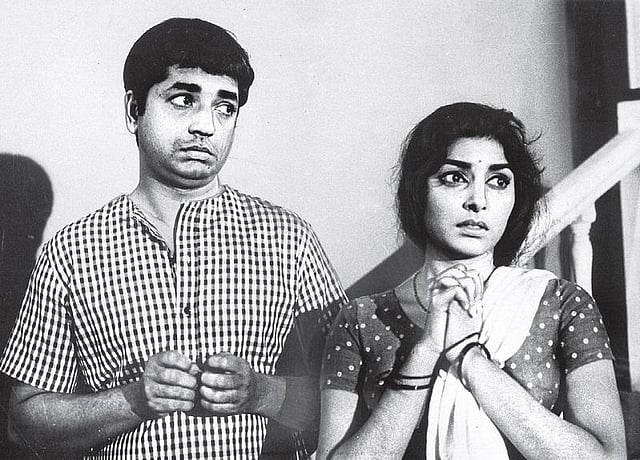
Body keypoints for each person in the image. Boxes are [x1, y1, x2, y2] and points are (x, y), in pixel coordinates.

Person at [0, 18, 346, 459]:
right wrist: (133, 400)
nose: (206, 125)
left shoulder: (288, 239)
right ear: (134, 111)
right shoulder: (73, 250)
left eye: (225, 107)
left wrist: (262, 393)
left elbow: (355, 392)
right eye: (184, 100)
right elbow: (23, 422)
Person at [316, 102, 626, 459]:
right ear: (418, 190)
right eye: (455, 177)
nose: (478, 201)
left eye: (498, 181)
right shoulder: (361, 319)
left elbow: (608, 456)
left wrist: (468, 356)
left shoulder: (561, 303)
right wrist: (426, 351)